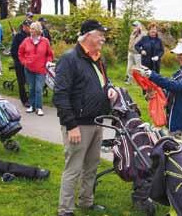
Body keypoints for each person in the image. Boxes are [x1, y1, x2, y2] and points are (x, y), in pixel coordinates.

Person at [53, 19, 117, 216]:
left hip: (97, 121)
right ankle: (65, 210)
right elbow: (60, 95)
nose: (103, 39)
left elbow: (105, 81)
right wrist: (71, 125)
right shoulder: (69, 59)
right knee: (73, 168)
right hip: (78, 125)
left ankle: (86, 202)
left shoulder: (98, 58)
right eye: (100, 34)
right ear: (88, 35)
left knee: (91, 166)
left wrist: (111, 88)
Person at [138, 37, 182, 147]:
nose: (178, 57)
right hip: (173, 124)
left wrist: (152, 75)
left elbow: (177, 87)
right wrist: (152, 95)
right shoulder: (180, 73)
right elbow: (167, 91)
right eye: (178, 54)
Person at [18, 22, 53, 116]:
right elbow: (20, 52)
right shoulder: (26, 41)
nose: (31, 31)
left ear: (38, 30)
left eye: (33, 29)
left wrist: (48, 62)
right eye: (31, 29)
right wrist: (24, 62)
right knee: (31, 88)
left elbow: (49, 54)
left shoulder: (45, 41)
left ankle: (39, 107)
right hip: (29, 69)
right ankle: (32, 106)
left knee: (38, 88)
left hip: (41, 69)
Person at [10, 20, 31, 107]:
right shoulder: (18, 36)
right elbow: (13, 51)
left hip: (29, 63)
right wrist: (20, 61)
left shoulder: (31, 36)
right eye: (27, 26)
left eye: (29, 26)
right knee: (21, 82)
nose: (28, 27)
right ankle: (24, 100)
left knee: (29, 81)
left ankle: (31, 98)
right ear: (23, 26)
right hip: (20, 62)